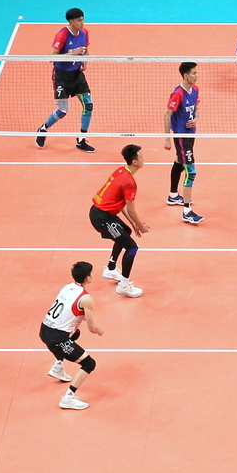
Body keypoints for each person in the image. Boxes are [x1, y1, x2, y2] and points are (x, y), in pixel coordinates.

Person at [41, 261, 104, 409]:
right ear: (88, 278)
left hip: (44, 329)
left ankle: (57, 367)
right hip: (57, 338)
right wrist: (99, 330)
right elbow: (92, 328)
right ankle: (68, 398)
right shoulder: (86, 299)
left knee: (75, 334)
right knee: (89, 363)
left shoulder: (67, 287)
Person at [90, 144, 150, 297]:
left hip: (104, 213)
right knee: (132, 248)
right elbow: (131, 209)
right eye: (141, 156)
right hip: (101, 217)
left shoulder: (121, 170)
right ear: (135, 162)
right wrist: (140, 225)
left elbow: (120, 203)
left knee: (126, 231)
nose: (143, 158)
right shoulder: (129, 183)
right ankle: (124, 286)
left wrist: (133, 224)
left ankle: (110, 268)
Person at [35, 8, 95, 152]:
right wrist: (73, 53)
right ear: (71, 22)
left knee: (88, 105)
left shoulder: (84, 33)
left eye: (83, 19)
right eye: (79, 20)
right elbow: (51, 57)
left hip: (77, 75)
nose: (82, 22)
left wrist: (84, 60)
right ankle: (43, 129)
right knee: (62, 111)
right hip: (62, 77)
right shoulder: (62, 35)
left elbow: (86, 50)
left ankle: (81, 139)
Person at [162, 62, 204, 224]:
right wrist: (167, 138)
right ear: (186, 76)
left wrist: (196, 119)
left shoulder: (195, 89)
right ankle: (187, 211)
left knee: (180, 161)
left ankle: (173, 195)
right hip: (181, 136)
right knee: (191, 172)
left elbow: (196, 108)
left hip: (190, 134)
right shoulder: (178, 94)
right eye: (194, 73)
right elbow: (167, 115)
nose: (196, 76)